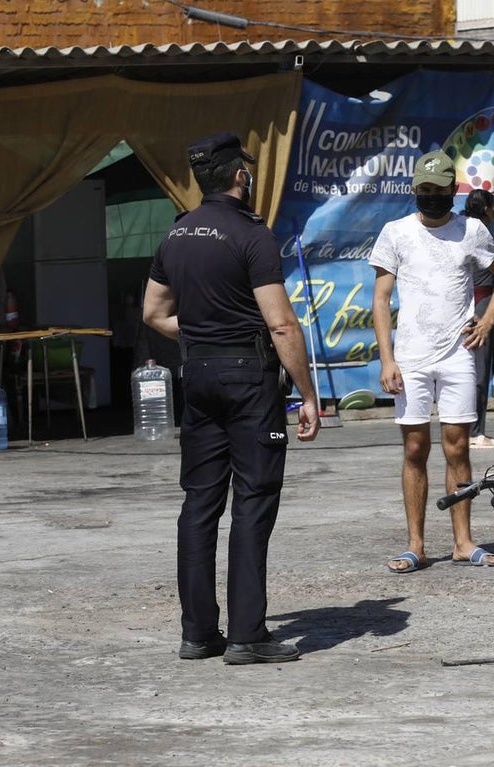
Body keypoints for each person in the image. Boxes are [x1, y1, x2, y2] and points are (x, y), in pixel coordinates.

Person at [143, 131, 321, 665]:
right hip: (249, 379)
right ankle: (248, 635)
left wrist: (202, 332)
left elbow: (153, 313)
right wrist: (308, 396)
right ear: (240, 177)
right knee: (253, 500)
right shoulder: (252, 235)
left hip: (197, 374)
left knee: (199, 503)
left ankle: (198, 634)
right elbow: (282, 325)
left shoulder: (176, 236)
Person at [370, 150, 494, 573]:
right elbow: (381, 299)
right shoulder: (395, 233)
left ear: (454, 191)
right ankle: (415, 544)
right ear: (415, 190)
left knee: (458, 449)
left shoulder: (471, 229)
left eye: (440, 190)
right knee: (415, 447)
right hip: (411, 358)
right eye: (425, 190)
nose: (432, 197)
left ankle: (463, 542)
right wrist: (387, 359)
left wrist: (487, 320)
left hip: (458, 355)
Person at [462, 189, 494, 449]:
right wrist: (482, 314)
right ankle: (475, 433)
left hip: (471, 306)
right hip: (479, 307)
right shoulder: (479, 232)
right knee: (478, 372)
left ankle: (470, 430)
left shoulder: (461, 228)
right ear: (487, 208)